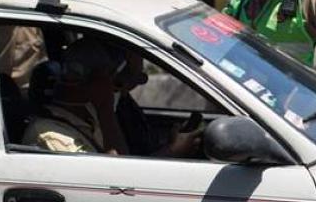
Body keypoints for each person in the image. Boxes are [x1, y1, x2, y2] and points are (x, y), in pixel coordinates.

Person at [24, 37, 200, 157]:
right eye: (117, 83)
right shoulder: (53, 137)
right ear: (97, 81)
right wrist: (172, 152)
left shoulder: (88, 116)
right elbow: (118, 182)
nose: (121, 91)